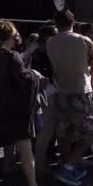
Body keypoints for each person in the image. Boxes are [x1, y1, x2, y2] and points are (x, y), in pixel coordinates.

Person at [47, 10, 93, 186]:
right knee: (91, 132)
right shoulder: (82, 39)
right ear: (73, 22)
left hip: (61, 90)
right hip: (81, 91)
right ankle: (68, 166)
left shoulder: (50, 41)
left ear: (56, 24)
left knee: (64, 132)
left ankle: (67, 163)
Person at [0, 20, 47, 186]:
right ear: (9, 36)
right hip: (13, 111)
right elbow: (25, 81)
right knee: (25, 151)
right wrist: (35, 75)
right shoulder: (11, 57)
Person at [32, 25, 58, 176]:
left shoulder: (43, 49)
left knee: (47, 129)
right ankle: (40, 163)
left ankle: (43, 159)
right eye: (54, 34)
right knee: (46, 129)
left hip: (46, 91)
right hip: (46, 92)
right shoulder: (43, 51)